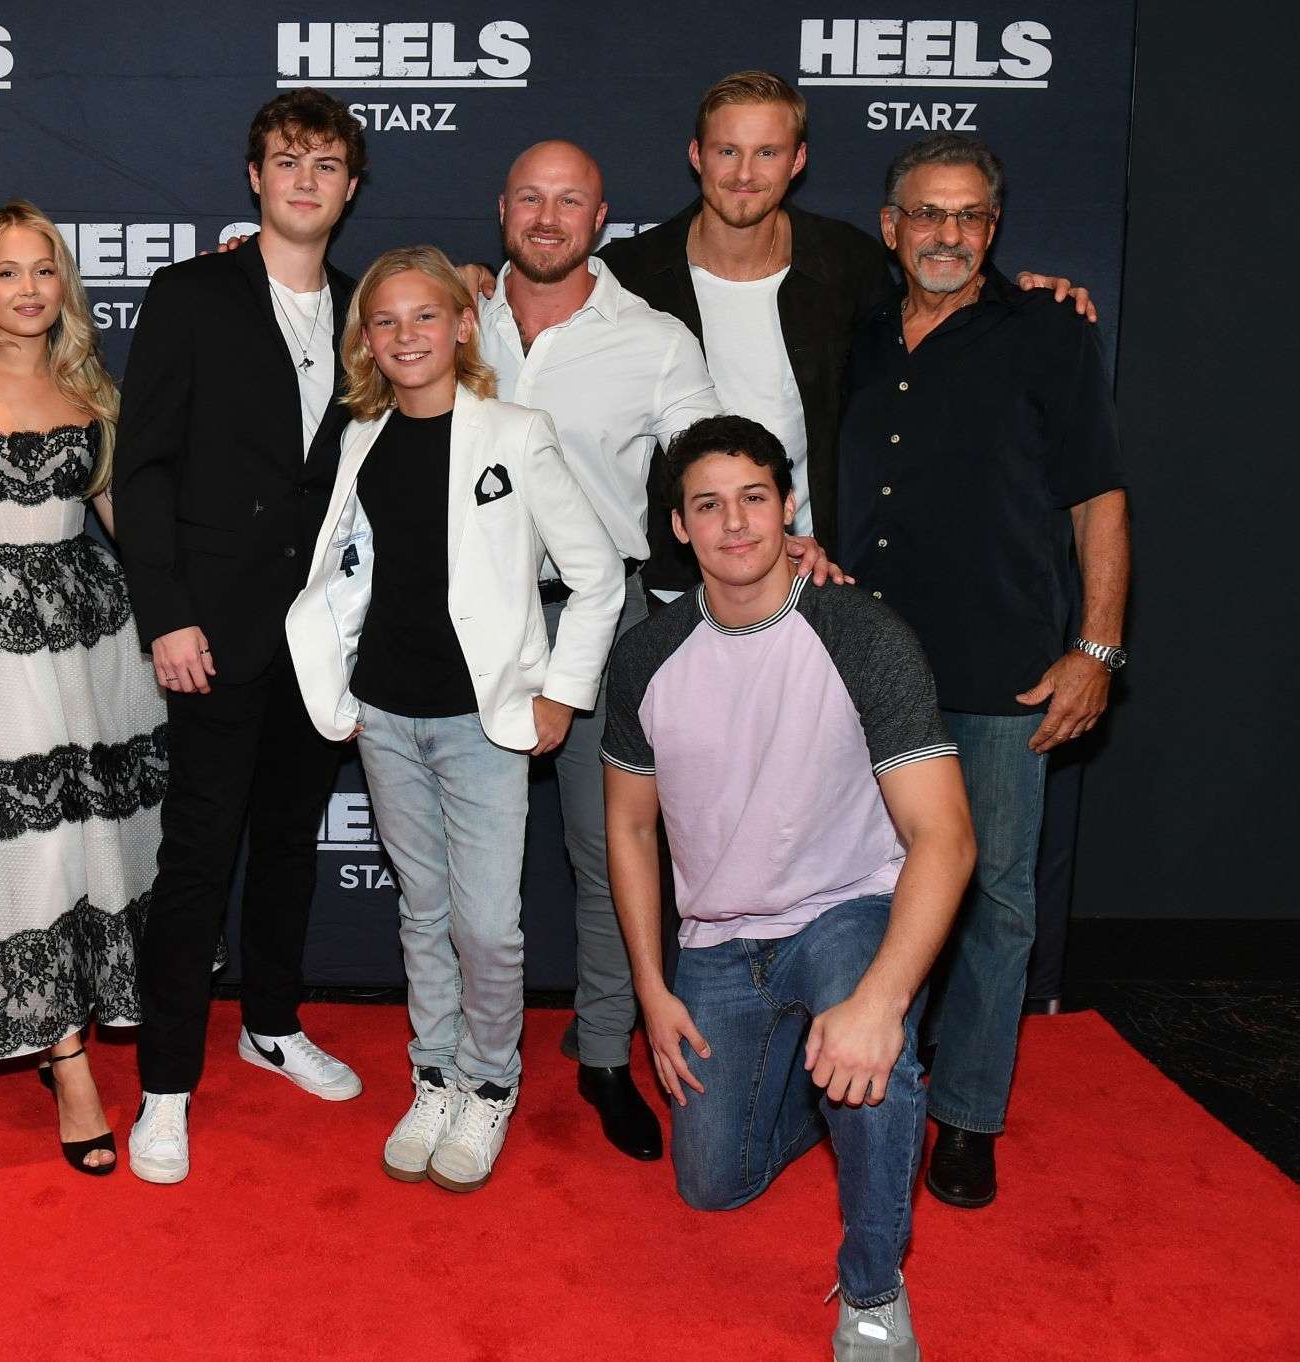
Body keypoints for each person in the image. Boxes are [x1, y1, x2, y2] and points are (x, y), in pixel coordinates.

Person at [476, 139, 836, 1162]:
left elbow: (706, 461)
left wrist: (780, 529)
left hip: (603, 622)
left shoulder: (653, 338)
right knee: (468, 867)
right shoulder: (451, 316)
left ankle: (602, 1054)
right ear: (502, 208)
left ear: (600, 221)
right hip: (469, 622)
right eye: (530, 197)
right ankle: (461, 1061)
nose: (547, 218)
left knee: (610, 856)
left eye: (570, 202)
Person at [605, 415, 975, 1361]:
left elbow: (944, 837)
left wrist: (882, 1003)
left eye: (754, 499)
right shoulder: (647, 655)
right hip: (716, 941)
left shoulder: (862, 634)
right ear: (678, 527)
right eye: (708, 505)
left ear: (788, 507)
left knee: (877, 1058)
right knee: (711, 1186)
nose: (734, 524)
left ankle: (874, 1291)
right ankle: (825, 1100)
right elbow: (632, 829)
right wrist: (651, 989)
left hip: (845, 908)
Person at [288, 246, 622, 1191]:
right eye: (385, 321)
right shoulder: (360, 438)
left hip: (484, 722)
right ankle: (433, 1075)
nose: (406, 336)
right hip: (385, 714)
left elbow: (597, 577)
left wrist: (561, 692)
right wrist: (339, 688)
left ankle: (491, 1082)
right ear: (365, 341)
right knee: (422, 910)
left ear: (464, 326)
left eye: (425, 316)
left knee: (487, 925)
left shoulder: (517, 432)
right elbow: (341, 574)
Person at [839, 133, 1130, 1210]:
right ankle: (869, 1087)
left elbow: (1098, 499)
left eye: (968, 216)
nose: (947, 234)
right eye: (927, 213)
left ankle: (966, 1116)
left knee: (996, 899)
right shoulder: (856, 331)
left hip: (1005, 668)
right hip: (863, 669)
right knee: (866, 894)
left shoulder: (1049, 331)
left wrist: (1095, 649)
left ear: (993, 228)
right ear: (890, 226)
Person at [111, 88, 368, 1184]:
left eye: (326, 164)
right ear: (255, 178)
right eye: (286, 161)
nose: (305, 180)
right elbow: (143, 469)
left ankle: (271, 1022)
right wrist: (166, 612)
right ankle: (165, 1084)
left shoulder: (370, 310)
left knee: (291, 845)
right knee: (197, 858)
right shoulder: (191, 294)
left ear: (350, 189)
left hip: (322, 638)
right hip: (210, 632)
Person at [597, 70, 1094, 594]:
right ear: (697, 155)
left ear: (797, 160)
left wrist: (1020, 293)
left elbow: (931, 318)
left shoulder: (847, 263)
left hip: (813, 575)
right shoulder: (627, 275)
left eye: (766, 152)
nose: (744, 173)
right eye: (727, 151)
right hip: (672, 582)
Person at [0, 202, 165, 1175]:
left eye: (44, 270)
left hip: (89, 631)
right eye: (7, 272)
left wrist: (176, 615)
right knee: (26, 840)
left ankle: (72, 1029)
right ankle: (67, 1062)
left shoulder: (86, 384)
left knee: (92, 834)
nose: (28, 290)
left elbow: (119, 515)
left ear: (65, 283)